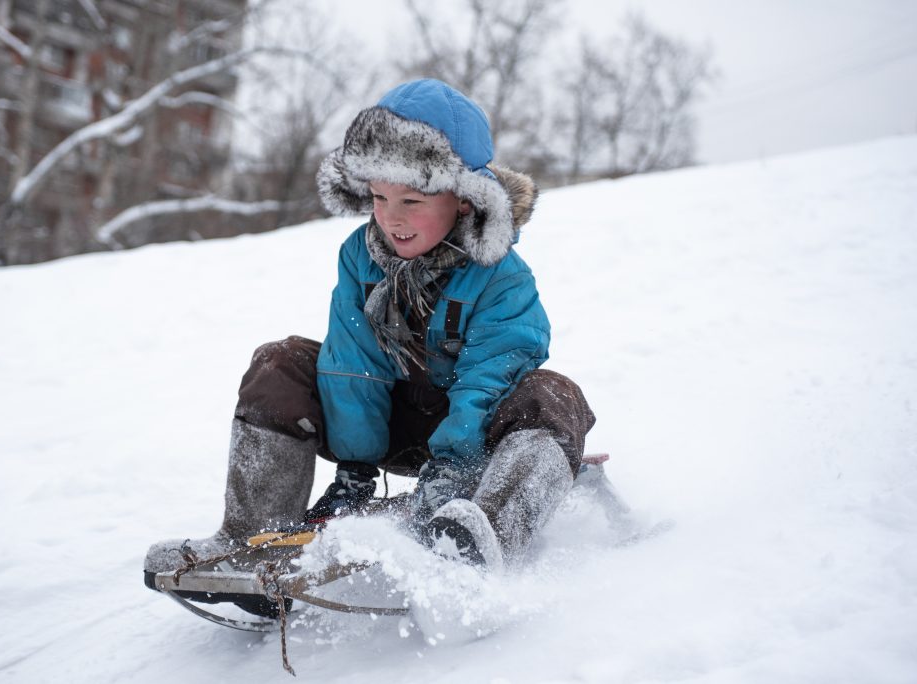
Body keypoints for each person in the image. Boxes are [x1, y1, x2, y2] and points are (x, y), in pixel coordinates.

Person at [145, 79, 595, 580]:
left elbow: (490, 376)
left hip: (472, 439)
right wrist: (355, 472)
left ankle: (481, 542)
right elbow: (352, 360)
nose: (390, 218)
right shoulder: (360, 256)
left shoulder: (501, 275)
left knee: (552, 396)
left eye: (412, 201)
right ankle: (252, 541)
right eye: (379, 198)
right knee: (281, 362)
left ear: (464, 201)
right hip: (389, 424)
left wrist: (450, 473)